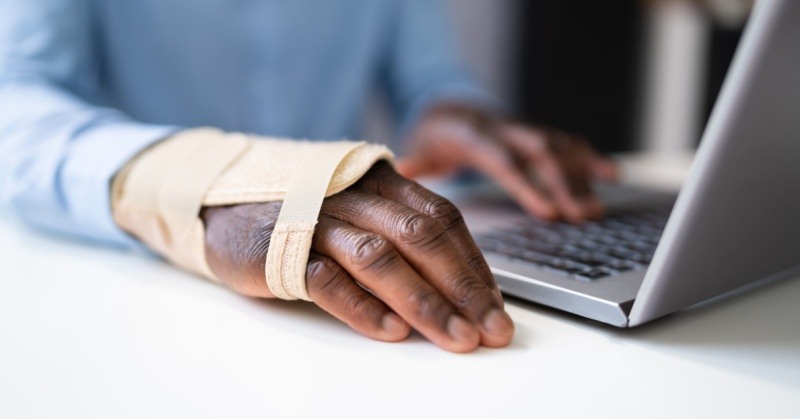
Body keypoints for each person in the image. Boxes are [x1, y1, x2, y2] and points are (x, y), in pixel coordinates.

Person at [0, 0, 616, 353]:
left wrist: (452, 111)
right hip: (120, 313)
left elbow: (430, 77)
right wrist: (213, 188)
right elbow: (16, 104)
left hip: (343, 295)